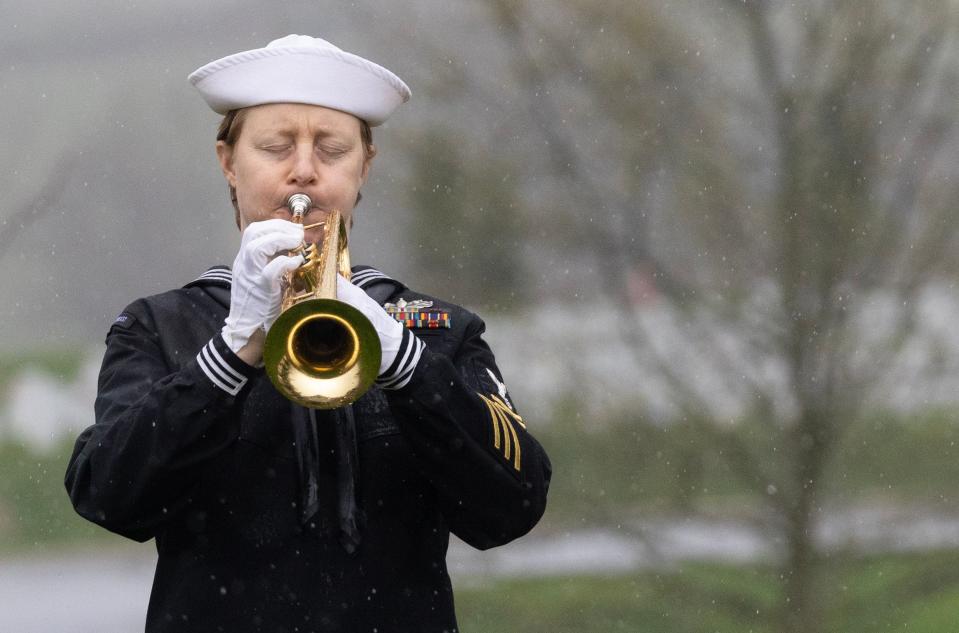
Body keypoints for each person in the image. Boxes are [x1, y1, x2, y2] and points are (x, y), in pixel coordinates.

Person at [65, 34, 551, 633]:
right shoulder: (158, 327)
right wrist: (232, 350)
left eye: (332, 149)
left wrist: (404, 360)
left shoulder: (440, 330)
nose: (303, 171)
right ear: (228, 162)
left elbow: (512, 508)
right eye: (275, 147)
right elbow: (108, 496)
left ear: (363, 167)